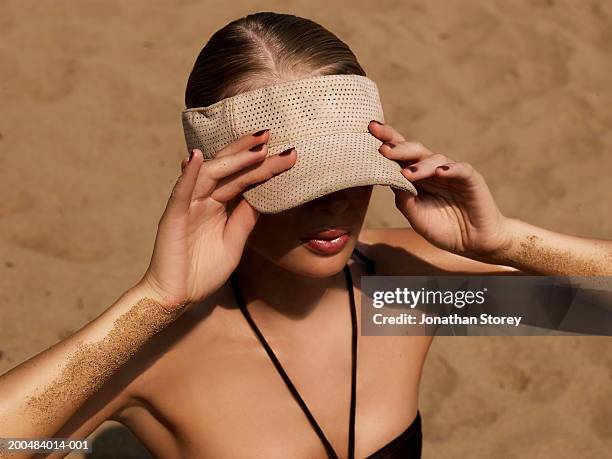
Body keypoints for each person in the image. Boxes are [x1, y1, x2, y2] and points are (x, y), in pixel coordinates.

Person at [1, 11, 610, 459]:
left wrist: (505, 243)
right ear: (218, 181)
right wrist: (152, 301)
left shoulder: (400, 293)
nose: (335, 204)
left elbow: (600, 312)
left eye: (348, 172)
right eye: (298, 181)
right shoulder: (162, 351)